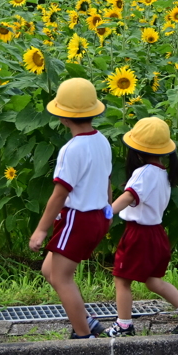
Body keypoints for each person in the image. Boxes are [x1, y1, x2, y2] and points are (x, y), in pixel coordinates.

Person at [29, 77, 114, 339]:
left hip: (77, 218)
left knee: (63, 278)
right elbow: (108, 179)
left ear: (63, 118)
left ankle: (82, 335)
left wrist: (41, 230)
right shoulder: (102, 140)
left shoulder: (71, 149)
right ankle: (86, 321)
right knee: (50, 270)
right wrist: (108, 210)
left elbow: (60, 193)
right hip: (98, 215)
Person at [106, 116, 178, 337]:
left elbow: (129, 196)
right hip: (157, 233)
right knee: (152, 280)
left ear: (136, 150)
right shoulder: (163, 174)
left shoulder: (143, 173)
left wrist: (105, 212)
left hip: (139, 234)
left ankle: (124, 325)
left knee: (122, 279)